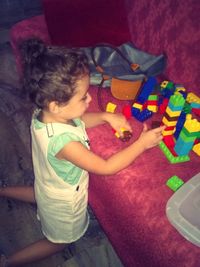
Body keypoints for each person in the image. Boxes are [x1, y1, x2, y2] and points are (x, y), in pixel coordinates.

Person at [0, 38, 165, 267]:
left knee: (40, 194)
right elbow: (106, 167)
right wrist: (142, 144)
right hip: (64, 203)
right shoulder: (66, 145)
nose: (89, 99)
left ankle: (2, 190)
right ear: (56, 105)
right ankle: (8, 261)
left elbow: (77, 121)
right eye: (83, 96)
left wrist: (106, 116)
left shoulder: (44, 112)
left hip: (48, 185)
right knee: (59, 242)